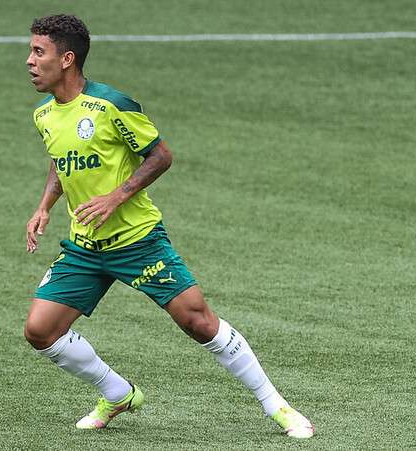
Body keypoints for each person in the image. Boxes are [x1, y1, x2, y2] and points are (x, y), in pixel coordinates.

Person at [23, 14, 314, 438]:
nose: (29, 61)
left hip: (138, 241)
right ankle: (117, 393)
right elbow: (61, 156)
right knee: (40, 331)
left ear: (67, 59)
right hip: (86, 247)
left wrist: (117, 196)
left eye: (38, 52)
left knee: (198, 321)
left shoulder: (111, 105)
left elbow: (160, 155)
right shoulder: (44, 115)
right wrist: (45, 205)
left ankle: (278, 406)